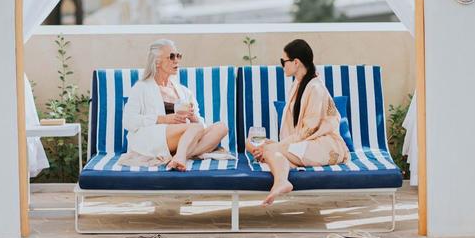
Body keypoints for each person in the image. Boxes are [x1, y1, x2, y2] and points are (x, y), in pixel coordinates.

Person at [247, 39, 349, 206]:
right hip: (302, 142)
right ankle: (281, 175)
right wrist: (276, 146)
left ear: (296, 62)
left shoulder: (315, 88)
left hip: (322, 144)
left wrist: (276, 146)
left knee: (269, 150)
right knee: (253, 144)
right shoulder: (298, 84)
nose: (282, 65)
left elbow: (308, 131)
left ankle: (280, 178)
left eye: (283, 61)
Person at [122, 39, 228, 171]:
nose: (176, 60)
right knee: (195, 128)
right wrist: (163, 119)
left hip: (183, 138)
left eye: (178, 56)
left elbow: (200, 125)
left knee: (221, 127)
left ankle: (179, 156)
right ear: (157, 62)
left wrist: (193, 117)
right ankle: (183, 155)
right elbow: (128, 121)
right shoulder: (141, 87)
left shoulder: (183, 91)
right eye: (171, 56)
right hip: (154, 137)